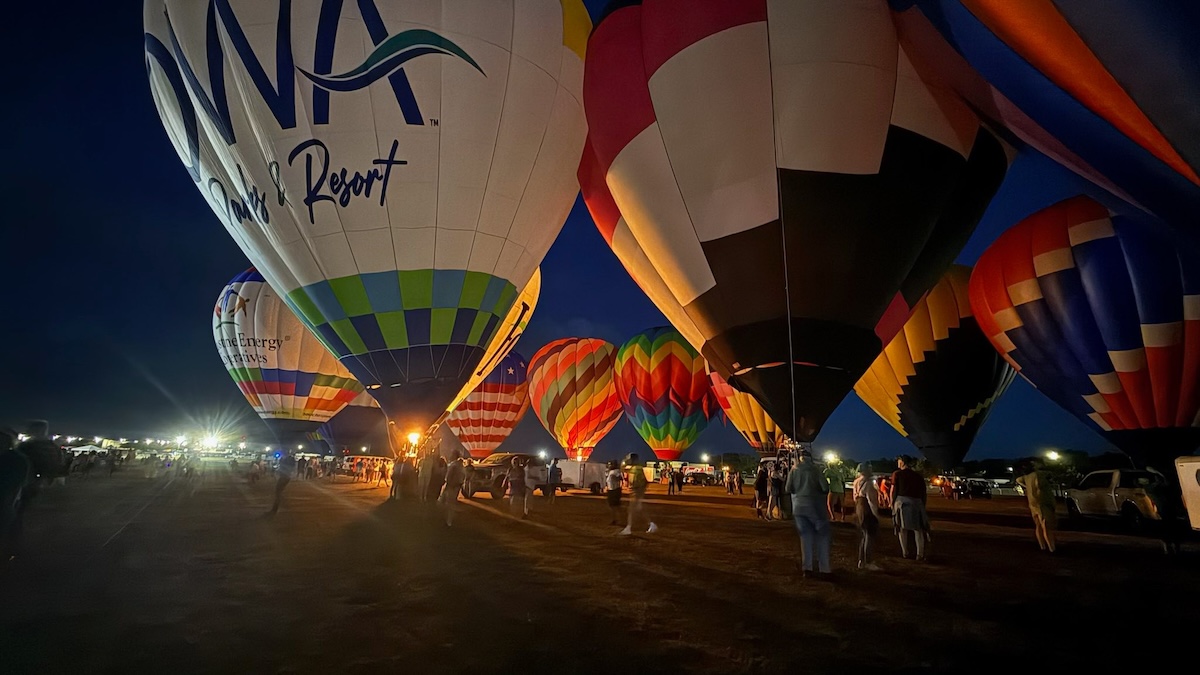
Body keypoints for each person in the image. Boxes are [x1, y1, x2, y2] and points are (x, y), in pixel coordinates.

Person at [784, 449, 832, 578]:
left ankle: (807, 569)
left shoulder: (793, 470)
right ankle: (824, 569)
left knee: (805, 538)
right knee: (822, 537)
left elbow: (788, 488)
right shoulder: (816, 470)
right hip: (815, 506)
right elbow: (825, 488)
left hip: (799, 508)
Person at [889, 455, 931, 561]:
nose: (897, 463)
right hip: (917, 503)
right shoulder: (918, 476)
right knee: (918, 530)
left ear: (902, 462)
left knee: (901, 528)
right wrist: (922, 505)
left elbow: (893, 490)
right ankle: (919, 554)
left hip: (902, 503)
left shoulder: (897, 474)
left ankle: (905, 552)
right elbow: (923, 493)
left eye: (899, 461)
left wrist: (892, 503)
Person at [1015, 459, 1057, 553]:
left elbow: (1018, 480)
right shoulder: (1041, 474)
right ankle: (1052, 548)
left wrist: (1027, 487)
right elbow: (1043, 481)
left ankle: (1042, 546)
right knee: (1046, 525)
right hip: (1043, 502)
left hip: (1032, 502)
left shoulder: (1027, 477)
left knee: (1038, 525)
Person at [852, 464, 882, 571]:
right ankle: (868, 561)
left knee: (864, 536)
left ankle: (861, 560)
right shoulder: (869, 483)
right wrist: (876, 515)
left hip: (859, 509)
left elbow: (854, 497)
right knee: (869, 536)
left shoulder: (856, 481)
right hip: (867, 510)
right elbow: (872, 500)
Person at [620, 454, 657, 535]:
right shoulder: (637, 468)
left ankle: (629, 528)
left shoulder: (636, 469)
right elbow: (644, 482)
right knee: (639, 509)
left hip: (636, 492)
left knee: (631, 510)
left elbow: (634, 482)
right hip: (637, 492)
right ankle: (651, 524)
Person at [267, 451, 297, 516]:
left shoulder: (286, 460)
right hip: (286, 477)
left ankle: (276, 508)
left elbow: (281, 466)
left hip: (284, 477)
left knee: (278, 492)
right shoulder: (291, 461)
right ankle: (277, 506)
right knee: (278, 492)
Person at [439, 458, 466, 526]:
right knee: (451, 504)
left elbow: (448, 476)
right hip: (456, 487)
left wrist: (447, 482)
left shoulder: (454, 466)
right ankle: (448, 521)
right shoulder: (462, 469)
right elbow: (463, 479)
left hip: (451, 486)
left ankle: (446, 519)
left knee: (447, 503)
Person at [605, 461, 623, 525]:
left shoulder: (616, 471)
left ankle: (619, 520)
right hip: (611, 490)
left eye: (610, 465)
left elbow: (620, 477)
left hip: (615, 490)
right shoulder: (611, 472)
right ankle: (614, 519)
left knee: (615, 506)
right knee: (612, 506)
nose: (609, 466)